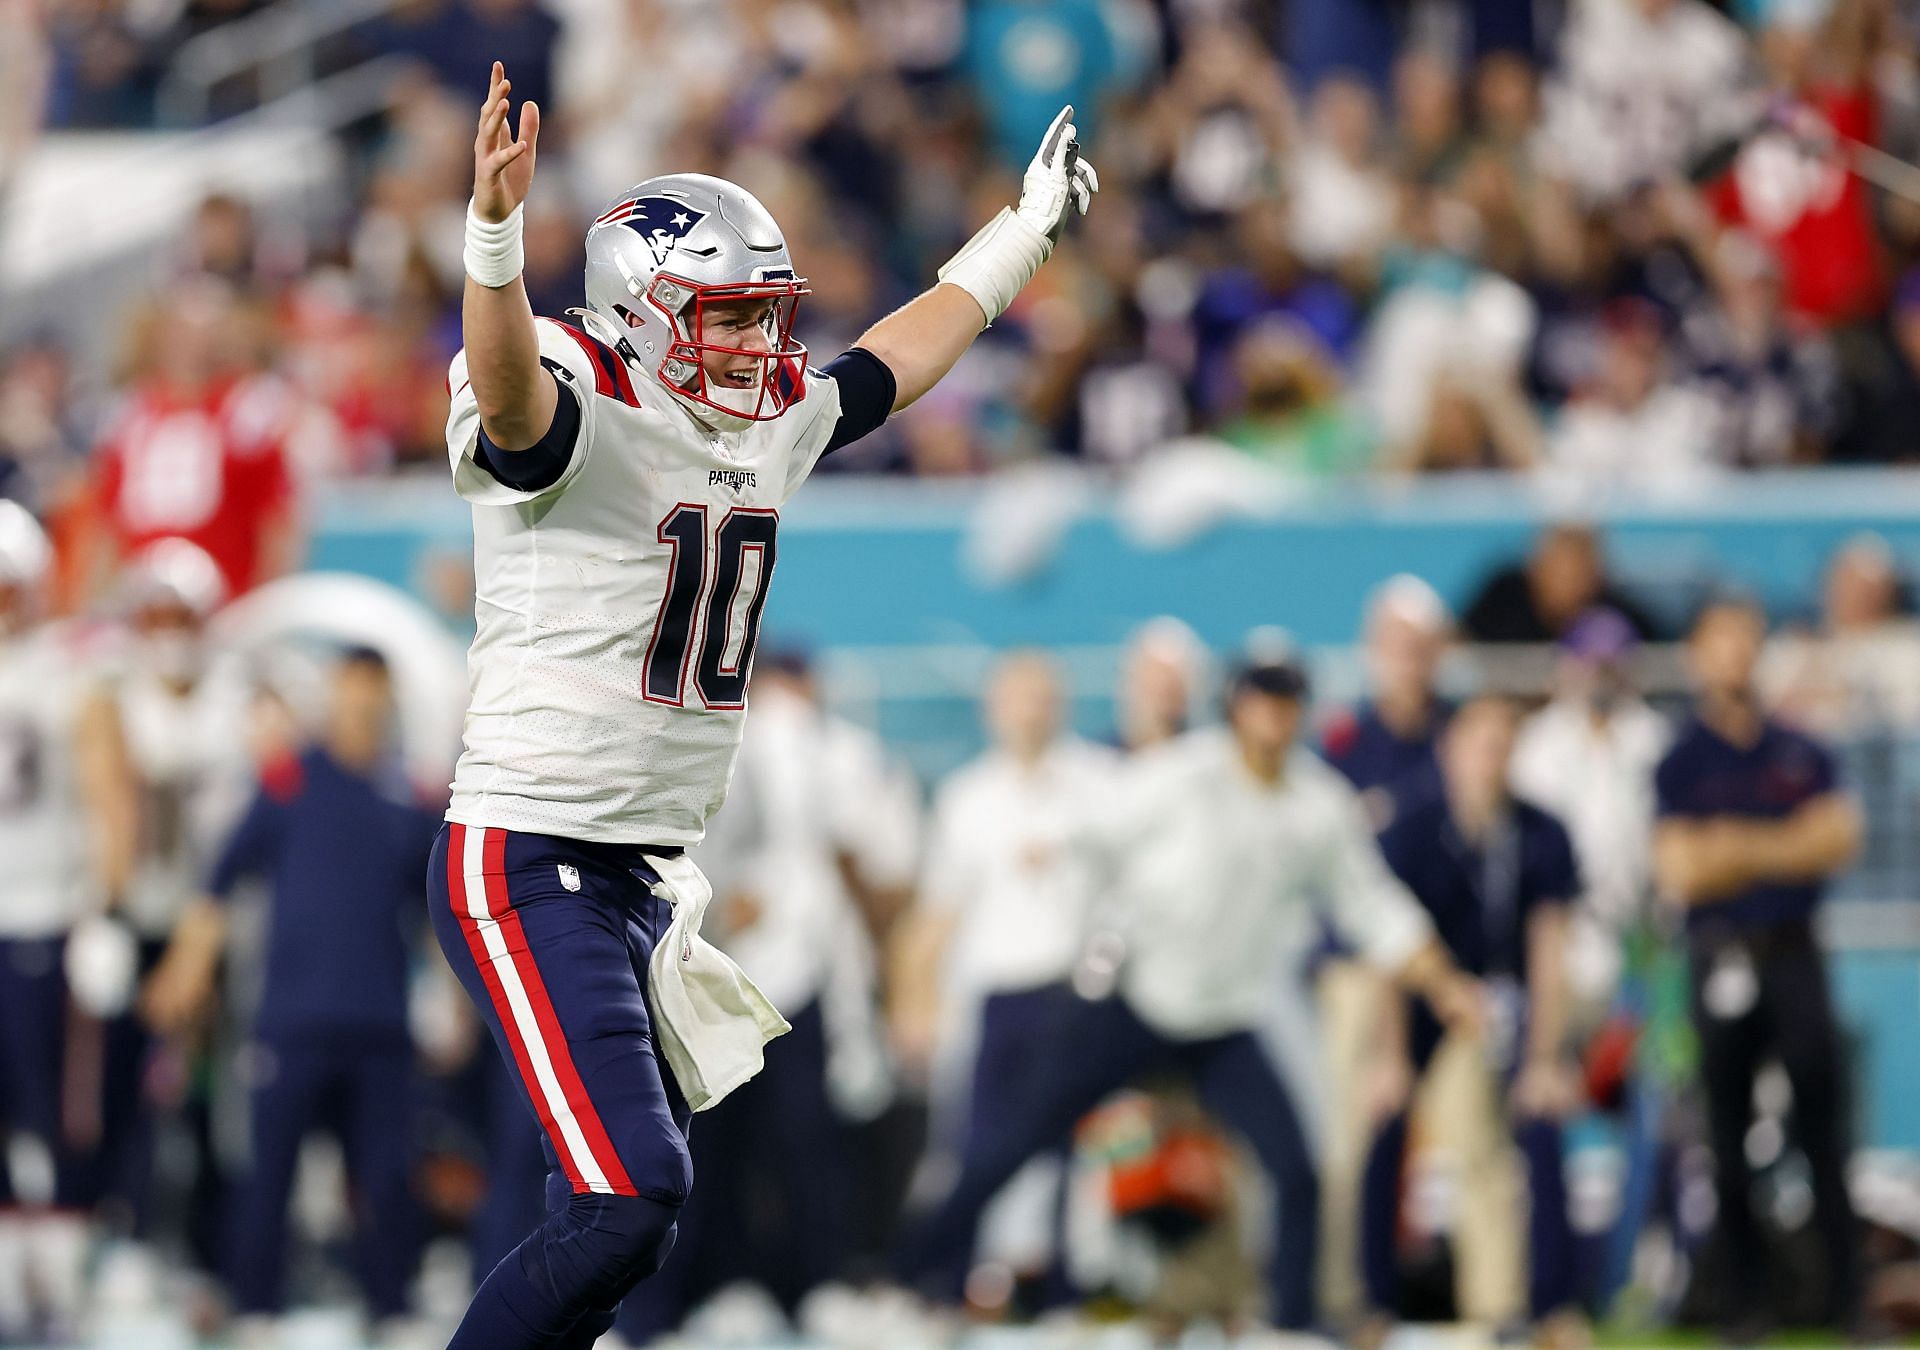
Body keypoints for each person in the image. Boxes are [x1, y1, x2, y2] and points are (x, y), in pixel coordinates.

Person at [426, 61, 1098, 1348]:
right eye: (726, 318)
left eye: (762, 314)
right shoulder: (585, 390)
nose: (757, 344)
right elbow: (511, 401)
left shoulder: (763, 419)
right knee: (631, 1199)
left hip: (638, 875)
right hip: (529, 851)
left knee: (623, 1212)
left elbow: (892, 360)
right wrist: (496, 239)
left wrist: (1018, 237)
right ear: (638, 314)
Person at [894, 648, 1485, 1331]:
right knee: (1008, 1142)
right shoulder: (1184, 774)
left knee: (1298, 1170)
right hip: (1135, 1002)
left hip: (1224, 1020)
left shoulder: (1317, 804)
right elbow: (1096, 828)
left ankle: (1290, 1327)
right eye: (1260, 696)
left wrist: (1443, 984)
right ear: (1235, 705)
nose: (1272, 714)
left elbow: (1374, 908)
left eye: (1285, 698)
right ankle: (909, 1281)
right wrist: (1056, 857)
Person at [140, 648, 441, 1339]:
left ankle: (392, 1308)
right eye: (351, 693)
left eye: (373, 695)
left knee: (387, 1177)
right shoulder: (288, 782)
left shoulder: (410, 796)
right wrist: (185, 971)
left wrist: (454, 999)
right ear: (333, 697)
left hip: (380, 1022)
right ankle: (256, 1308)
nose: (361, 708)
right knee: (267, 1174)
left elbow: (434, 913)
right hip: (292, 1018)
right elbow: (221, 879)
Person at [1652, 596, 1867, 1341]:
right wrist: (1782, 842)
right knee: (1726, 1130)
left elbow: (1838, 837)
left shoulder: (1800, 748)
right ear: (1695, 654)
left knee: (1824, 1129)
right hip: (1719, 958)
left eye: (1745, 639)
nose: (1734, 655)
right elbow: (1679, 867)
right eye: (1719, 640)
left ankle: (1848, 1300)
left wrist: (1731, 846)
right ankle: (1742, 1305)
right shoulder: (1680, 758)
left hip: (1793, 953)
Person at [891, 652, 1118, 1303]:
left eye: (1041, 696)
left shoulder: (1099, 785)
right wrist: (913, 1002)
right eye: (1018, 696)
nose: (1030, 710)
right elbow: (936, 912)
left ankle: (1066, 1291)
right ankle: (943, 1280)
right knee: (980, 1149)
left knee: (1075, 1151)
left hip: (1077, 992)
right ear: (994, 707)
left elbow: (1125, 895)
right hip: (999, 996)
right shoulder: (970, 797)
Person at [1361, 694, 1584, 1343]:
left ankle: (1532, 1306)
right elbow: (1388, 951)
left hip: (1497, 1006)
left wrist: (1546, 1057)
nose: (1492, 757)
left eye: (1503, 742)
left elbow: (1549, 952)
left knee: (1527, 1128)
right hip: (1425, 997)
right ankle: (1371, 1302)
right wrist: (1391, 1057)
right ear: (1448, 749)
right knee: (1383, 1123)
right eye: (1480, 742)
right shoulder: (1413, 828)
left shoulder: (1539, 832)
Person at [0, 501, 136, 1343]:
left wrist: (104, 909)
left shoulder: (67, 673)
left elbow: (108, 795)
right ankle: (18, 1280)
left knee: (63, 1112)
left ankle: (67, 1278)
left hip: (47, 920)